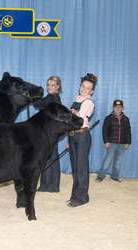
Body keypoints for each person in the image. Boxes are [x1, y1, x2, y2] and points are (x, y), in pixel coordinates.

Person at [66, 73, 97, 208]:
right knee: (75, 168)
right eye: (83, 86)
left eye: (88, 88)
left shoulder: (88, 102)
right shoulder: (77, 100)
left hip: (83, 136)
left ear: (92, 91)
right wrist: (70, 137)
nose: (84, 89)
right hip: (74, 135)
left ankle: (81, 198)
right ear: (79, 87)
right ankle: (75, 196)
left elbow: (80, 119)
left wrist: (71, 113)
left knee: (81, 168)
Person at [33, 76, 62, 192]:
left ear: (58, 87)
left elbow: (37, 104)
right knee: (52, 156)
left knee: (49, 157)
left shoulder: (52, 97)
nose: (49, 87)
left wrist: (32, 96)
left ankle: (49, 185)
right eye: (48, 85)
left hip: (49, 132)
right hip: (50, 131)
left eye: (52, 85)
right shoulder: (53, 97)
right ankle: (51, 186)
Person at [95, 100, 131, 183]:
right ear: (112, 108)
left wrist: (128, 142)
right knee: (108, 160)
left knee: (118, 161)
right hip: (111, 143)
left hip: (122, 144)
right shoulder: (109, 118)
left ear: (123, 108)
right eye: (116, 107)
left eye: (119, 107)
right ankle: (100, 176)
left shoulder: (126, 119)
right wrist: (106, 141)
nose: (117, 109)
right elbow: (105, 130)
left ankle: (114, 176)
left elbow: (128, 131)